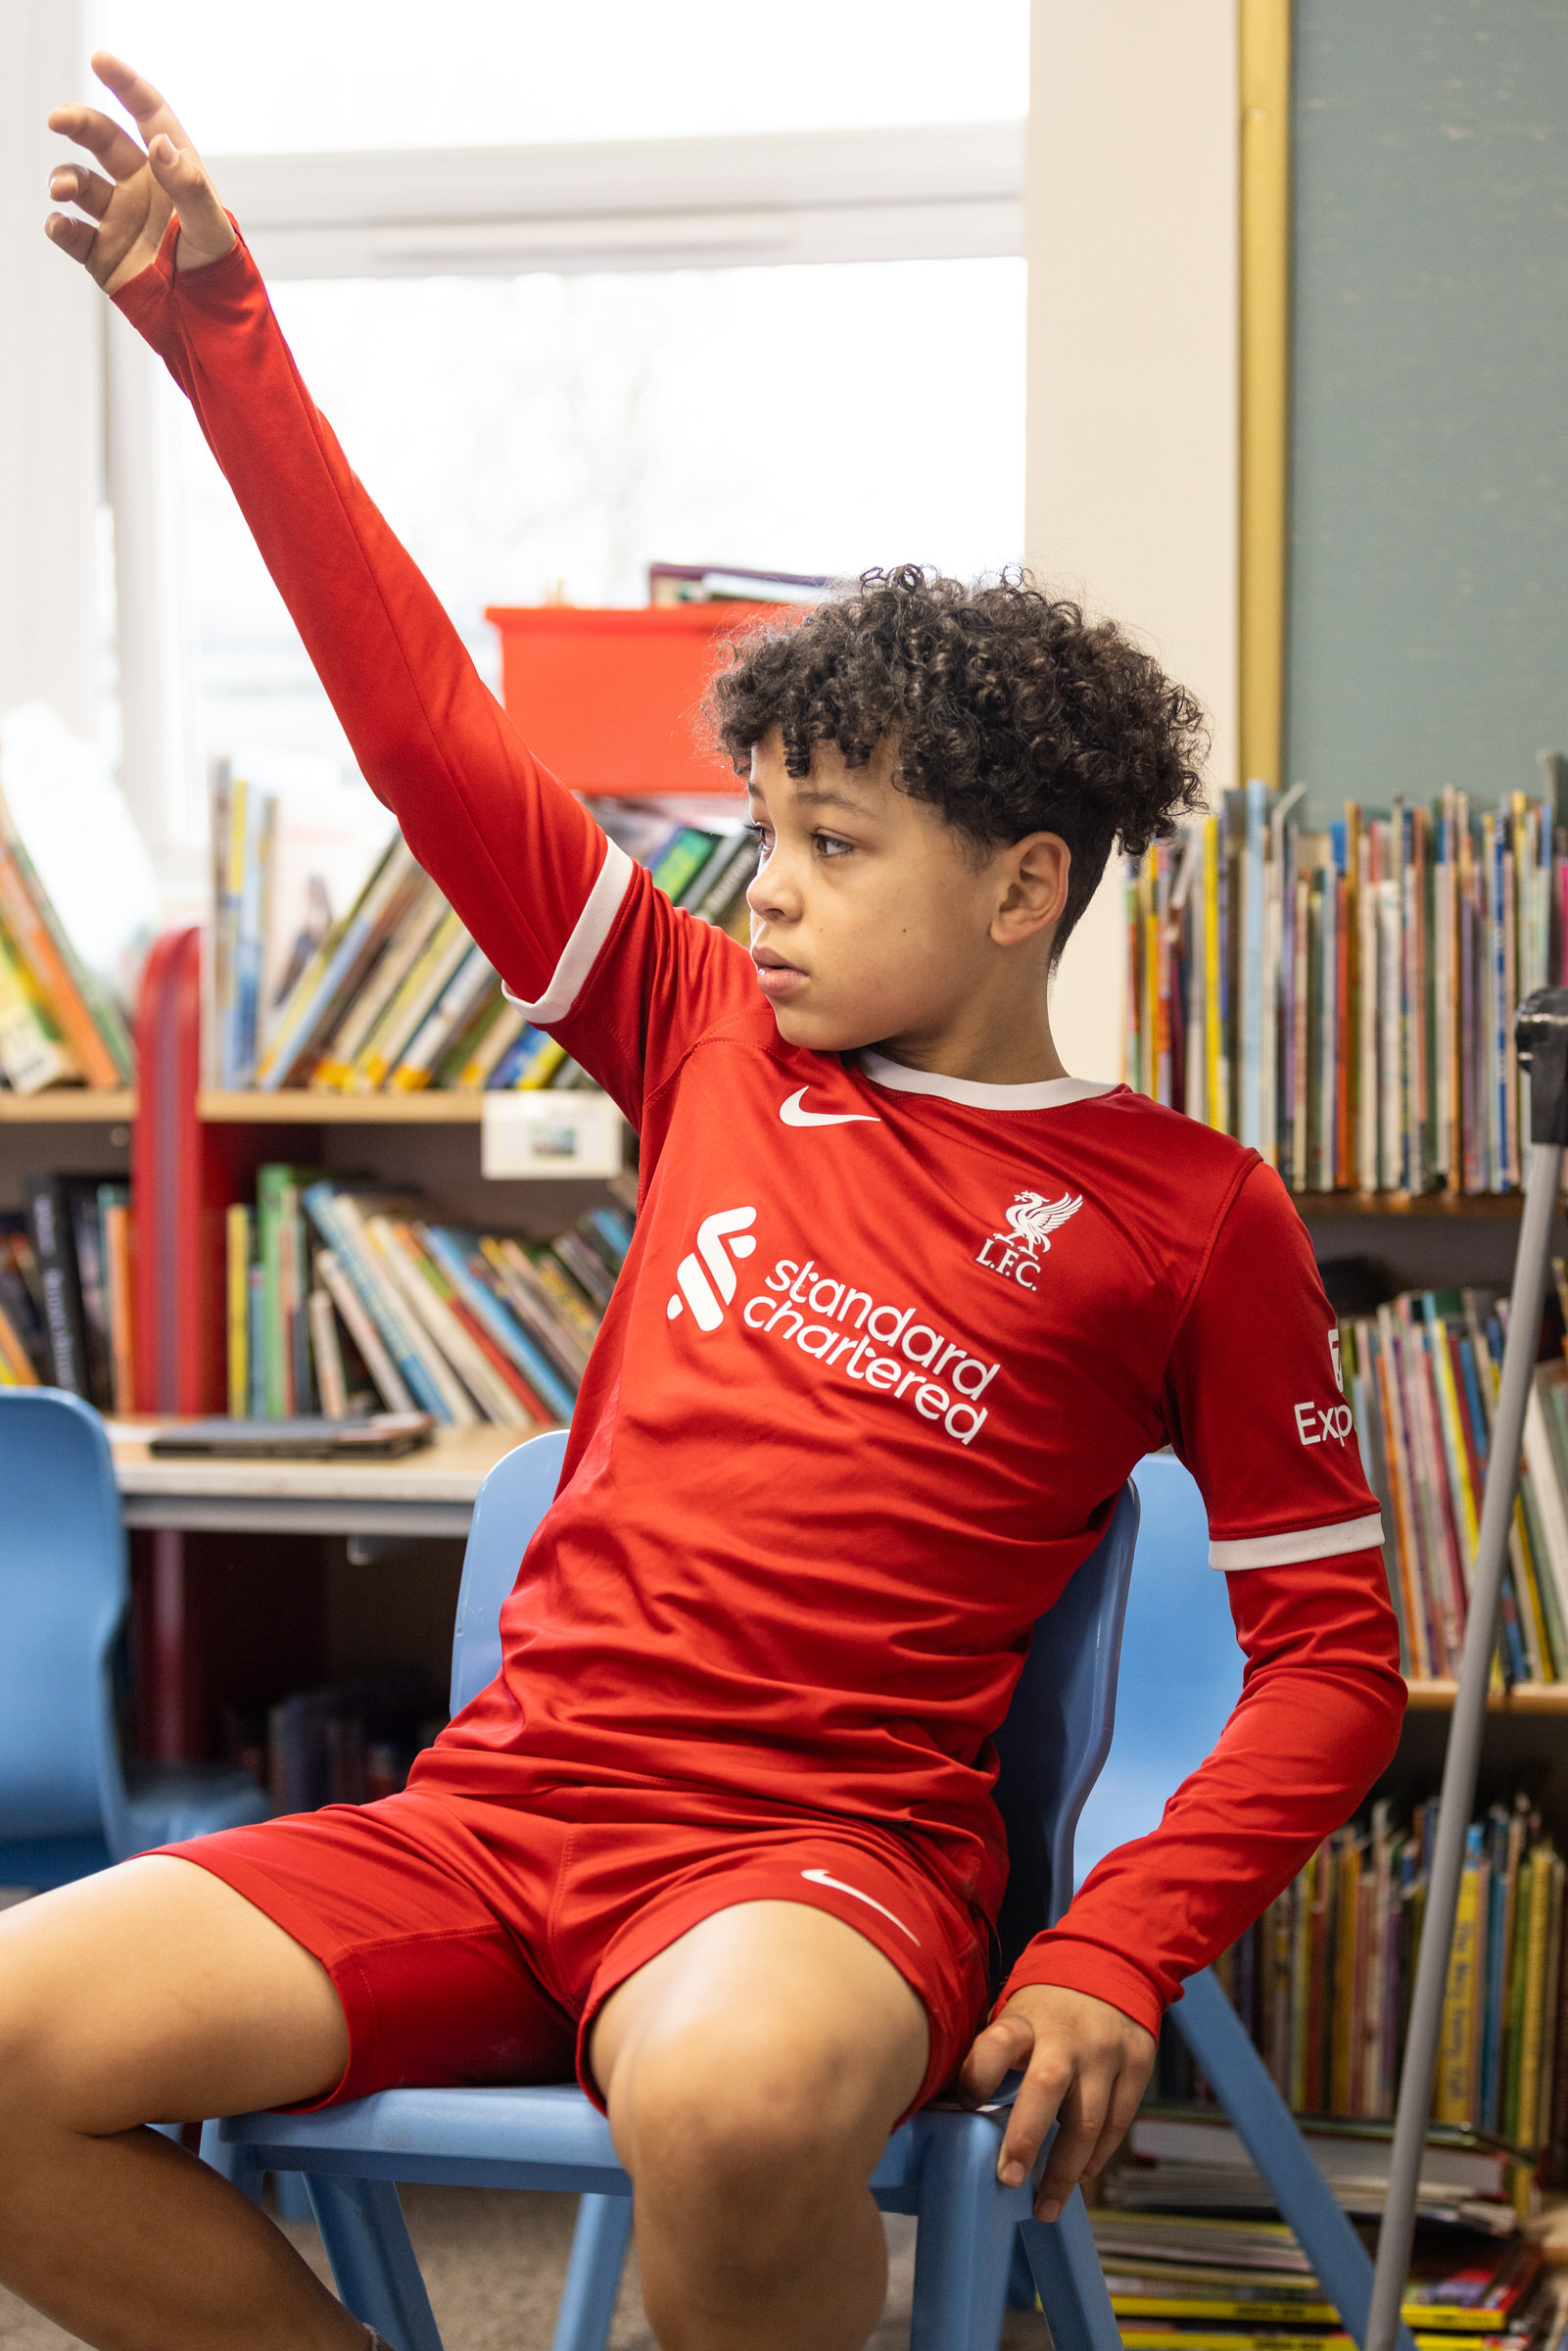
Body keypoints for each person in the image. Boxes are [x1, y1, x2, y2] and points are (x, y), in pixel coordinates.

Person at [1, 51, 1405, 2351]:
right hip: (493, 1819)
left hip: (816, 1868)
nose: (763, 895)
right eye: (763, 829)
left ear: (1026, 884)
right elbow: (425, 730)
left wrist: (1113, 1938)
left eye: (838, 848)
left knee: (744, 2119)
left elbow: (1336, 1665)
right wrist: (217, 325)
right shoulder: (700, 1031)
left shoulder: (1189, 1211)